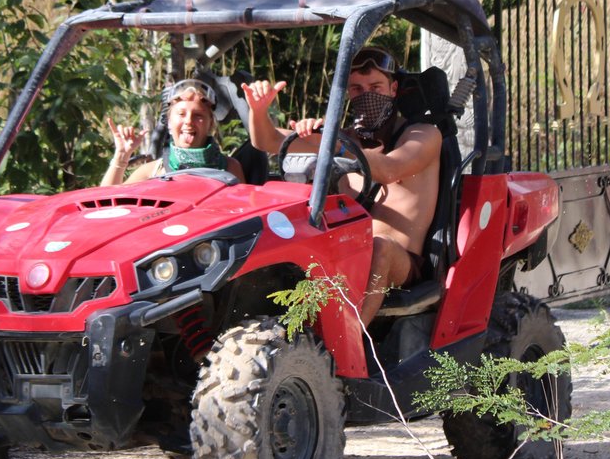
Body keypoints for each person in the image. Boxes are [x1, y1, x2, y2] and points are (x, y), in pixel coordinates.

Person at [242, 47, 441, 325]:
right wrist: (259, 110)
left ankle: (349, 351)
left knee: (379, 247)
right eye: (357, 89)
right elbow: (268, 141)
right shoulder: (347, 138)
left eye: (375, 87)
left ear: (394, 88)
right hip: (345, 251)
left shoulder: (424, 134)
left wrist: (333, 143)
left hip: (400, 261)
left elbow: (390, 169)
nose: (367, 95)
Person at [103, 79, 245, 186]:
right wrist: (121, 156)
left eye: (198, 115)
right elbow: (107, 207)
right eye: (181, 114)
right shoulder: (152, 171)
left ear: (210, 124)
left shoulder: (230, 167)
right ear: (169, 123)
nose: (189, 121)